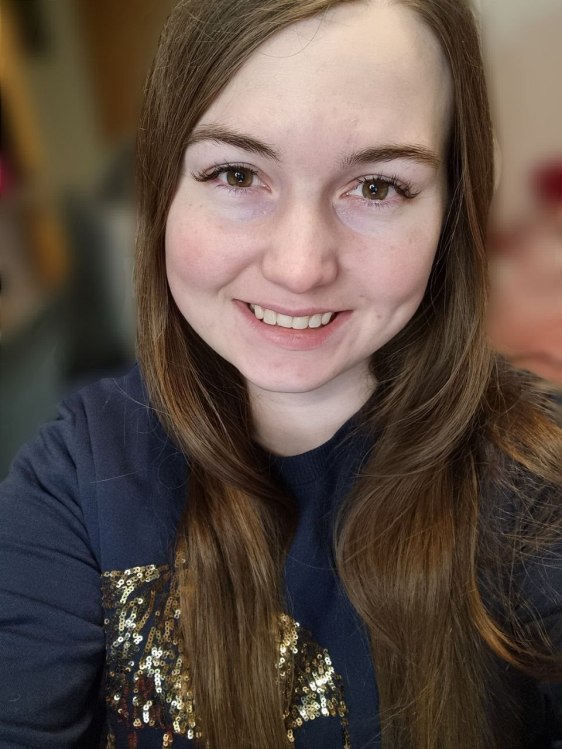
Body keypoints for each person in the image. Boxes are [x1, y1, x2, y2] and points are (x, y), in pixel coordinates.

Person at [0, 1, 561, 747]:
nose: (300, 267)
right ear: (164, 190)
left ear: (450, 210)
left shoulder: (537, 485)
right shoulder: (75, 477)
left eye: (378, 186)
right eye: (237, 173)